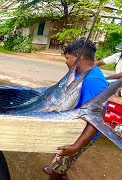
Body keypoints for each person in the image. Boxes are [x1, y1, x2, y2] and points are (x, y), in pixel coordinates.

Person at [42, 39, 108, 180]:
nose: (65, 62)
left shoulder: (93, 81)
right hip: (73, 125)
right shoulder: (79, 72)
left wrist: (77, 145)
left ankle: (58, 174)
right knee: (61, 155)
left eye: (67, 58)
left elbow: (97, 120)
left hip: (82, 133)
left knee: (64, 156)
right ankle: (60, 170)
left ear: (79, 57)